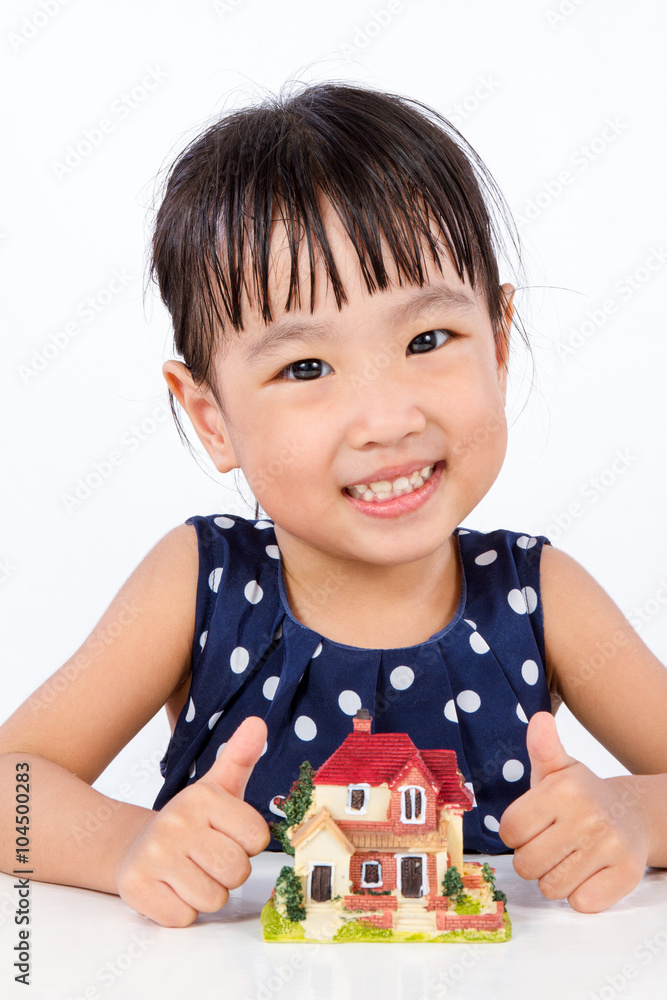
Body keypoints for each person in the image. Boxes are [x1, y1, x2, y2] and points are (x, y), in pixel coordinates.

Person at [1, 80, 666, 930]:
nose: (388, 419)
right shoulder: (202, 584)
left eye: (428, 340)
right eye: (305, 369)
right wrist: (129, 844)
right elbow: (10, 782)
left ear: (498, 348)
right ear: (212, 418)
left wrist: (633, 815)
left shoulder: (537, 596)